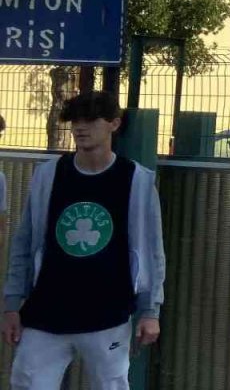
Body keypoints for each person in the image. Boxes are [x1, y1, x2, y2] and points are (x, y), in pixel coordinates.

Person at [3, 92, 165, 390]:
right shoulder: (49, 175)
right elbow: (24, 243)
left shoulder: (136, 180)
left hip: (108, 314)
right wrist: (12, 304)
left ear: (114, 124)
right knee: (27, 383)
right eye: (75, 120)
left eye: (90, 120)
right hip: (46, 312)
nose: (80, 127)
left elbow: (152, 251)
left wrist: (150, 311)